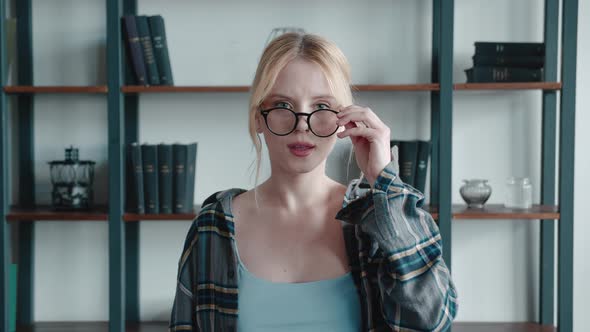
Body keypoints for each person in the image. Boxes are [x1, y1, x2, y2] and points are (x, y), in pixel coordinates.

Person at [169, 32, 458, 332]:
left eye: (321, 107)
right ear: (258, 117)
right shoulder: (213, 226)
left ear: (345, 118)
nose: (302, 125)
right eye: (283, 105)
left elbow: (433, 323)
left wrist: (384, 181)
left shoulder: (376, 221)